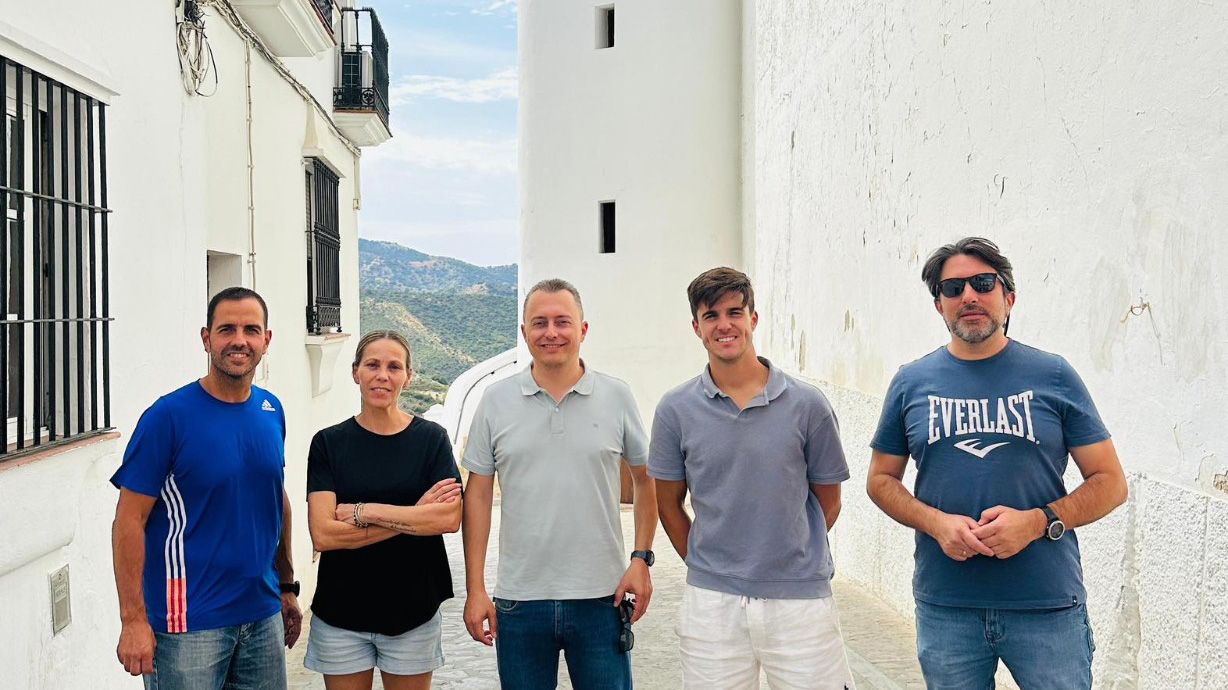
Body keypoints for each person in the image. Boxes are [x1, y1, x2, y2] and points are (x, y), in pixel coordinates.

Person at [867, 237, 1128, 689]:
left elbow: (1110, 482)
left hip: (1046, 605)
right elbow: (881, 480)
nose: (968, 296)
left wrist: (1037, 522)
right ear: (939, 307)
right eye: (953, 289)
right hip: (948, 606)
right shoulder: (911, 383)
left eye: (983, 283)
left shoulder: (1054, 375)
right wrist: (935, 523)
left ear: (1008, 298)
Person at [650, 267, 857, 690]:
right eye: (711, 316)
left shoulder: (807, 405)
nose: (724, 325)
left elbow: (827, 501)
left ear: (753, 319)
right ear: (697, 327)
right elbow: (668, 503)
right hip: (712, 605)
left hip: (800, 600)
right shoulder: (674, 410)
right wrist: (710, 563)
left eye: (734, 312)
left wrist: (784, 551)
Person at [461, 278, 657, 690]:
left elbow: (645, 479)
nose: (551, 332)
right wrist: (475, 588)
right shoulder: (495, 401)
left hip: (603, 599)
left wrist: (641, 558)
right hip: (519, 601)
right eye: (540, 323)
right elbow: (477, 495)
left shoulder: (616, 396)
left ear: (583, 330)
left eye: (563, 322)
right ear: (524, 333)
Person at [111, 286, 301, 689]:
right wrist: (133, 620)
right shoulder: (168, 417)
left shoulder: (271, 410)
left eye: (251, 329)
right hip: (187, 625)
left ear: (266, 340)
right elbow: (129, 520)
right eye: (226, 329)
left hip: (262, 616)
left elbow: (274, 499)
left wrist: (286, 586)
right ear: (206, 338)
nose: (239, 340)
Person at [304, 330, 463, 690]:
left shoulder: (432, 440)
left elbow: (448, 518)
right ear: (355, 372)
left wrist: (365, 512)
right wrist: (414, 516)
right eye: (372, 365)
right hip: (341, 612)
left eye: (394, 367)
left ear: (408, 376)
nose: (383, 375)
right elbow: (324, 534)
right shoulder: (329, 443)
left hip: (414, 611)